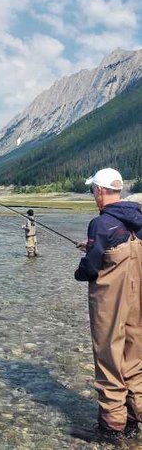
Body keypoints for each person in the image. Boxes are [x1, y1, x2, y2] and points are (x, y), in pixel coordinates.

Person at [74, 167, 142, 443]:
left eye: (93, 190)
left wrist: (81, 269)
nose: (94, 195)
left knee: (108, 354)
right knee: (135, 354)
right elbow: (119, 244)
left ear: (100, 191)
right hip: (137, 295)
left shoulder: (101, 223)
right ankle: (136, 415)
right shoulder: (137, 218)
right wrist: (91, 246)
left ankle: (112, 425)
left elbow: (90, 268)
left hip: (110, 300)